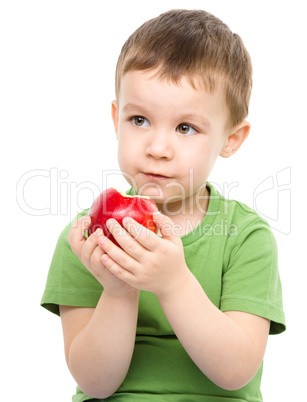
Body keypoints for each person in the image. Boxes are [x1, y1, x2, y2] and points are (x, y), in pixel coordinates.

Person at [41, 9, 286, 401]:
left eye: (185, 128)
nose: (157, 149)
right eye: (139, 120)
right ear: (115, 119)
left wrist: (173, 284)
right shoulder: (85, 236)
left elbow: (237, 370)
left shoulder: (245, 236)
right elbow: (96, 384)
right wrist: (118, 290)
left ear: (231, 139)